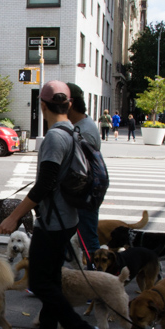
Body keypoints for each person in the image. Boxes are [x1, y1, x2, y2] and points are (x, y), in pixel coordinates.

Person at [0, 81, 99, 329]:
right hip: (67, 218)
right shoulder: (73, 131)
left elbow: (44, 186)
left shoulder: (55, 137)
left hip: (54, 222)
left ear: (43, 106)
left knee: (41, 283)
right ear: (68, 105)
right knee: (51, 280)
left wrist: (13, 217)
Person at [67, 83, 101, 266]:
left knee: (89, 243)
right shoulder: (81, 125)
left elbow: (80, 169)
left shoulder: (83, 130)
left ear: (69, 103)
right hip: (82, 194)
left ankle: (100, 285)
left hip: (84, 195)